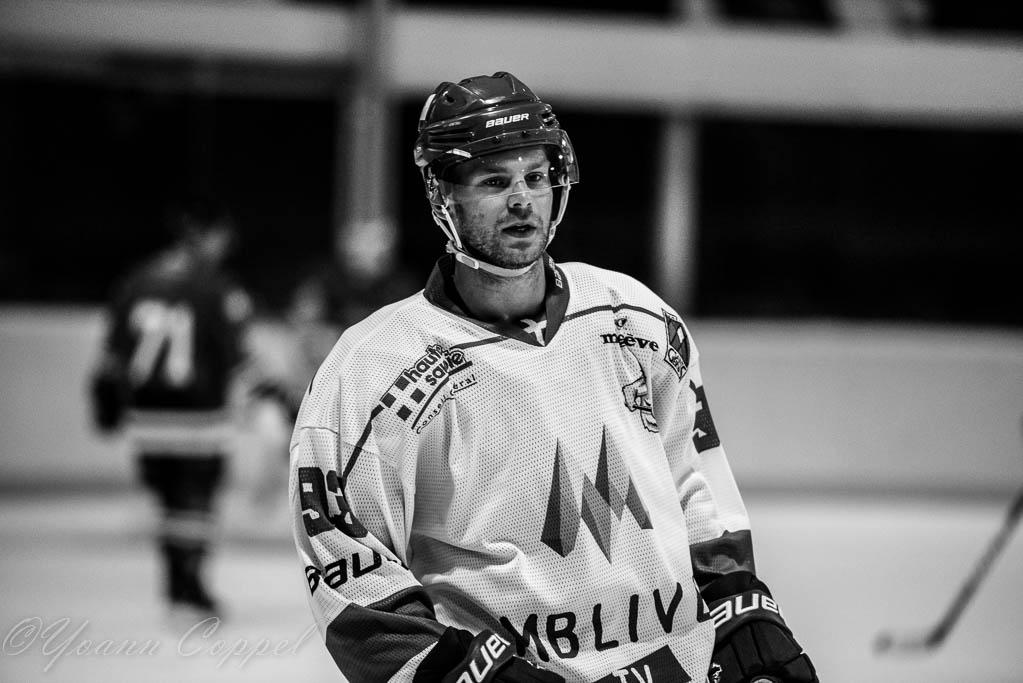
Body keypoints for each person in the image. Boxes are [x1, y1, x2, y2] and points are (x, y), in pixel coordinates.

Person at [289, 72, 817, 683]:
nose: (522, 200)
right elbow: (354, 577)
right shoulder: (370, 369)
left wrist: (743, 613)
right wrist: (467, 674)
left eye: (535, 178)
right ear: (443, 196)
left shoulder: (636, 318)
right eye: (494, 182)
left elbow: (694, 482)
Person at [90, 196, 251, 619]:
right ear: (207, 235)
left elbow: (111, 356)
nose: (224, 246)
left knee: (169, 504)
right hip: (199, 417)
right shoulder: (216, 286)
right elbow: (239, 357)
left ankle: (175, 585)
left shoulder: (137, 280)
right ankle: (190, 590)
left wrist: (106, 404)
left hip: (147, 418)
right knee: (195, 503)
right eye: (221, 237)